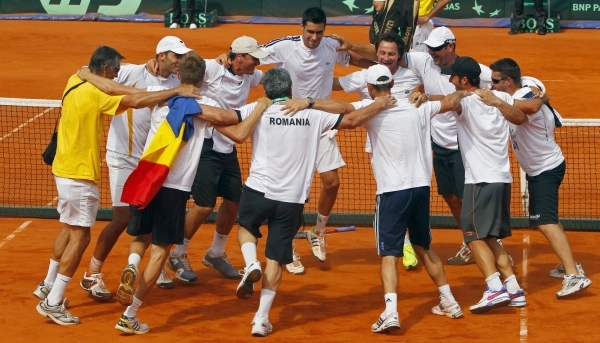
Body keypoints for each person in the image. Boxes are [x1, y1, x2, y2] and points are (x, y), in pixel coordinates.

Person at [86, 53, 270, 334]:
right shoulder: (202, 107)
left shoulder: (159, 93)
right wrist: (260, 106)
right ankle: (130, 315)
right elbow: (238, 133)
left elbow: (117, 90)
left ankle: (132, 265)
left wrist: (84, 72)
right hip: (173, 189)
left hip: (146, 179)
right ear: (203, 79)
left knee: (140, 236)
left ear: (179, 75)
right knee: (160, 251)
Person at [32, 46, 200, 326]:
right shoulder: (97, 94)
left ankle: (47, 286)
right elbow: (135, 101)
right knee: (81, 237)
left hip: (62, 169)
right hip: (80, 173)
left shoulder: (76, 80)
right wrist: (175, 91)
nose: (120, 73)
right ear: (107, 70)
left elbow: (105, 83)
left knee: (68, 227)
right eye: (117, 69)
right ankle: (53, 302)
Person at [234, 67, 396, 337]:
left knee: (246, 228)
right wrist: (379, 104)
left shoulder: (257, 109)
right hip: (291, 200)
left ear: (266, 92)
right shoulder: (311, 114)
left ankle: (251, 263)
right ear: (291, 91)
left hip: (258, 191)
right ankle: (261, 319)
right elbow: (352, 119)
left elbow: (225, 119)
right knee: (275, 259)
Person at [331, 26, 511, 266]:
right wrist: (352, 47)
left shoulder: (469, 68)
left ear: (451, 47)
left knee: (469, 202)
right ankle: (470, 242)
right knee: (451, 197)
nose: (432, 52)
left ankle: (493, 248)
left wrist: (529, 88)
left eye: (436, 49)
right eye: (430, 48)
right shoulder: (423, 61)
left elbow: (505, 80)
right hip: (438, 143)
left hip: (463, 144)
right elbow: (383, 53)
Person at [216, 7, 373, 274]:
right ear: (302, 27)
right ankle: (287, 244)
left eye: (319, 32)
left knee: (331, 182)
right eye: (310, 32)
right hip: (289, 123)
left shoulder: (331, 45)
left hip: (320, 122)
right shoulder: (284, 47)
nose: (314, 37)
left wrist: (379, 61)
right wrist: (226, 56)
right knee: (290, 187)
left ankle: (318, 232)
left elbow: (362, 60)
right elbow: (253, 56)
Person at [342, 64, 466, 332]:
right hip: (421, 189)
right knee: (424, 246)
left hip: (392, 192)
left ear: (371, 88)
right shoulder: (418, 106)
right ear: (393, 83)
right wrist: (428, 96)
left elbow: (343, 114)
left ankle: (390, 312)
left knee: (389, 253)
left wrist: (306, 102)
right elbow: (454, 98)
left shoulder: (370, 110)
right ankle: (449, 301)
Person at [77, 36, 192, 300]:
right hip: (122, 157)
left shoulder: (179, 82)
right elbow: (90, 72)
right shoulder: (132, 72)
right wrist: (82, 71)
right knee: (122, 218)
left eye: (183, 56)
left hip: (152, 161)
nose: (180, 61)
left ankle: (153, 266)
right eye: (176, 55)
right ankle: (92, 273)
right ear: (161, 56)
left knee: (151, 217)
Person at [167, 36, 268, 282]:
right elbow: (188, 66)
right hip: (206, 145)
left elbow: (272, 78)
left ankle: (216, 253)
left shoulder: (251, 75)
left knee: (234, 202)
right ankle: (177, 253)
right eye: (253, 58)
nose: (257, 62)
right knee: (203, 206)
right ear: (239, 58)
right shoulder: (212, 67)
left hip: (227, 147)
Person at [488, 58, 592, 298]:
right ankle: (570, 264)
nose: (492, 86)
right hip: (542, 168)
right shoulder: (526, 92)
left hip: (545, 169)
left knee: (544, 221)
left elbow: (530, 107)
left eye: (495, 82)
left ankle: (574, 275)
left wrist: (537, 99)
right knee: (549, 219)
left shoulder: (525, 100)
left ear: (509, 81)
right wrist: (542, 97)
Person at [439, 56, 527, 313]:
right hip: (501, 179)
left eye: (453, 76)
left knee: (471, 234)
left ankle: (493, 287)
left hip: (480, 180)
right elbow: (520, 115)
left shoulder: (467, 101)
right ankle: (513, 288)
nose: (449, 79)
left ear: (464, 80)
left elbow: (448, 103)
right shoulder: (501, 98)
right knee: (489, 237)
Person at [333, 32, 422, 270]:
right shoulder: (365, 75)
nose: (385, 57)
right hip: (380, 147)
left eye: (391, 53)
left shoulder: (413, 73)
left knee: (410, 190)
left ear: (400, 55)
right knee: (391, 191)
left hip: (409, 146)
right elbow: (334, 85)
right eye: (381, 52)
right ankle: (403, 243)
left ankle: (416, 238)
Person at [373, 0, 451, 52]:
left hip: (419, 24)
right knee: (396, 52)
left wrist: (428, 16)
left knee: (418, 57)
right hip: (397, 22)